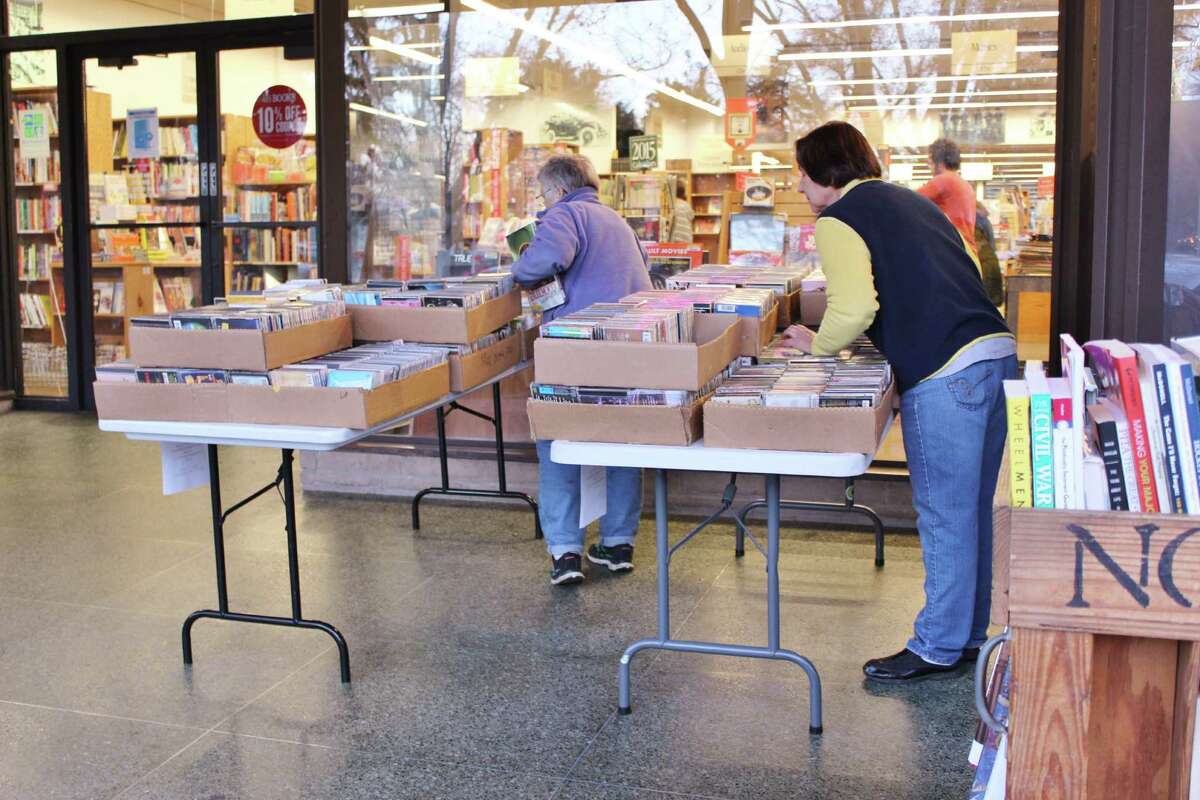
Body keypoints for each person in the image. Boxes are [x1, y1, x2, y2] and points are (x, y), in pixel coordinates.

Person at [783, 121, 1017, 683]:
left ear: (825, 169)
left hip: (943, 370)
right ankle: (966, 637)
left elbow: (855, 307)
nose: (796, 184)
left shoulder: (839, 219)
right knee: (970, 511)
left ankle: (935, 645)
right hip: (995, 353)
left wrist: (818, 346)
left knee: (943, 515)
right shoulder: (913, 204)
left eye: (801, 170)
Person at [512, 154, 653, 587]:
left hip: (574, 352)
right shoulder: (616, 221)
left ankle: (565, 550)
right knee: (621, 446)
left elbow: (542, 262)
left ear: (556, 191)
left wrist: (519, 267)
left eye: (542, 194)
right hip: (626, 351)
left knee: (557, 444)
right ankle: (617, 543)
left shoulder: (564, 214)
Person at [918, 138, 977, 256]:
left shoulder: (944, 180)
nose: (929, 167)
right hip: (967, 251)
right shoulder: (964, 184)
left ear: (938, 160)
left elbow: (908, 200)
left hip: (952, 251)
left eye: (930, 161)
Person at [974, 202, 1004, 307]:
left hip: (984, 269)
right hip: (989, 266)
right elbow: (992, 244)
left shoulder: (975, 223)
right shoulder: (984, 221)